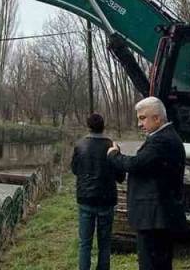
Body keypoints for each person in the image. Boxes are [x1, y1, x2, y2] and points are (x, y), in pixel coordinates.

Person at [106, 97, 186, 270]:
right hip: (159, 216)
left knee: (151, 264)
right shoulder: (165, 137)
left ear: (157, 118)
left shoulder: (161, 141)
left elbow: (135, 164)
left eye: (142, 118)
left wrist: (114, 155)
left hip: (154, 218)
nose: (139, 124)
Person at [71, 113, 124, 270]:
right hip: (106, 200)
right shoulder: (112, 146)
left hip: (85, 198)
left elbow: (75, 170)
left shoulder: (80, 145)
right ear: (103, 126)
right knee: (105, 243)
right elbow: (121, 176)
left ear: (88, 127)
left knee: (85, 243)